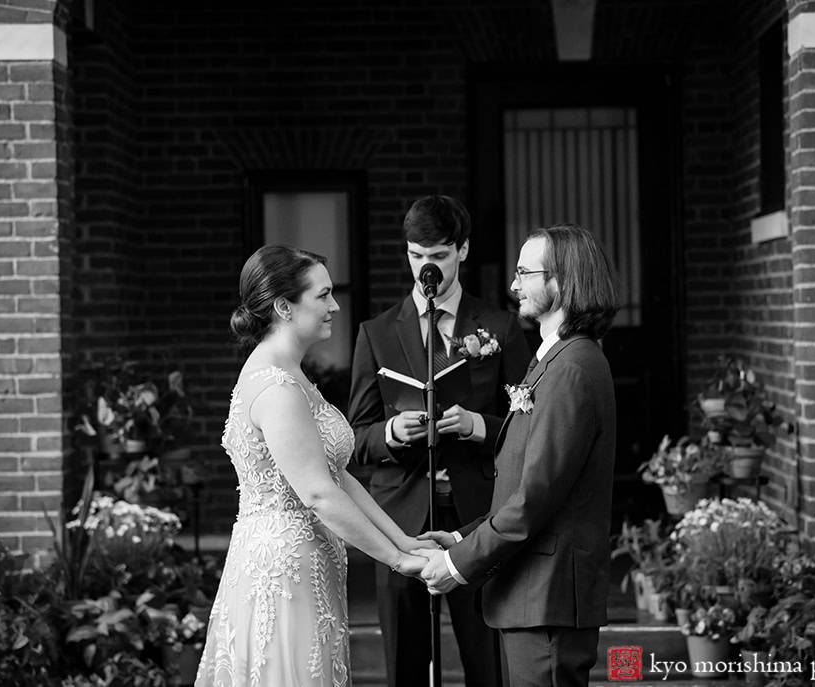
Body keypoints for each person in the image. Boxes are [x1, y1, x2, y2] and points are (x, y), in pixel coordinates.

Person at [195, 245, 433, 687]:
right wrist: (397, 561)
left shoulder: (295, 375)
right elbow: (319, 495)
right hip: (283, 572)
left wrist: (404, 540)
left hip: (310, 563)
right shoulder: (277, 388)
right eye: (323, 296)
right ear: (285, 306)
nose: (335, 306)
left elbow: (337, 477)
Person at [418, 224, 620, 687]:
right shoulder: (554, 358)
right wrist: (459, 536)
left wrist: (457, 565)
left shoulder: (572, 367)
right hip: (529, 594)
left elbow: (535, 498)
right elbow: (521, 485)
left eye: (525, 273)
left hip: (547, 598)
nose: (513, 286)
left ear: (563, 280)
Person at [348, 196, 531, 687]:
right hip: (400, 519)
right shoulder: (377, 332)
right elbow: (355, 437)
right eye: (416, 255)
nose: (426, 267)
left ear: (463, 250)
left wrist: (479, 426)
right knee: (405, 664)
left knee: (486, 659)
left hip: (476, 516)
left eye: (439, 255)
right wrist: (389, 432)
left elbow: (531, 427)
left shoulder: (501, 327)